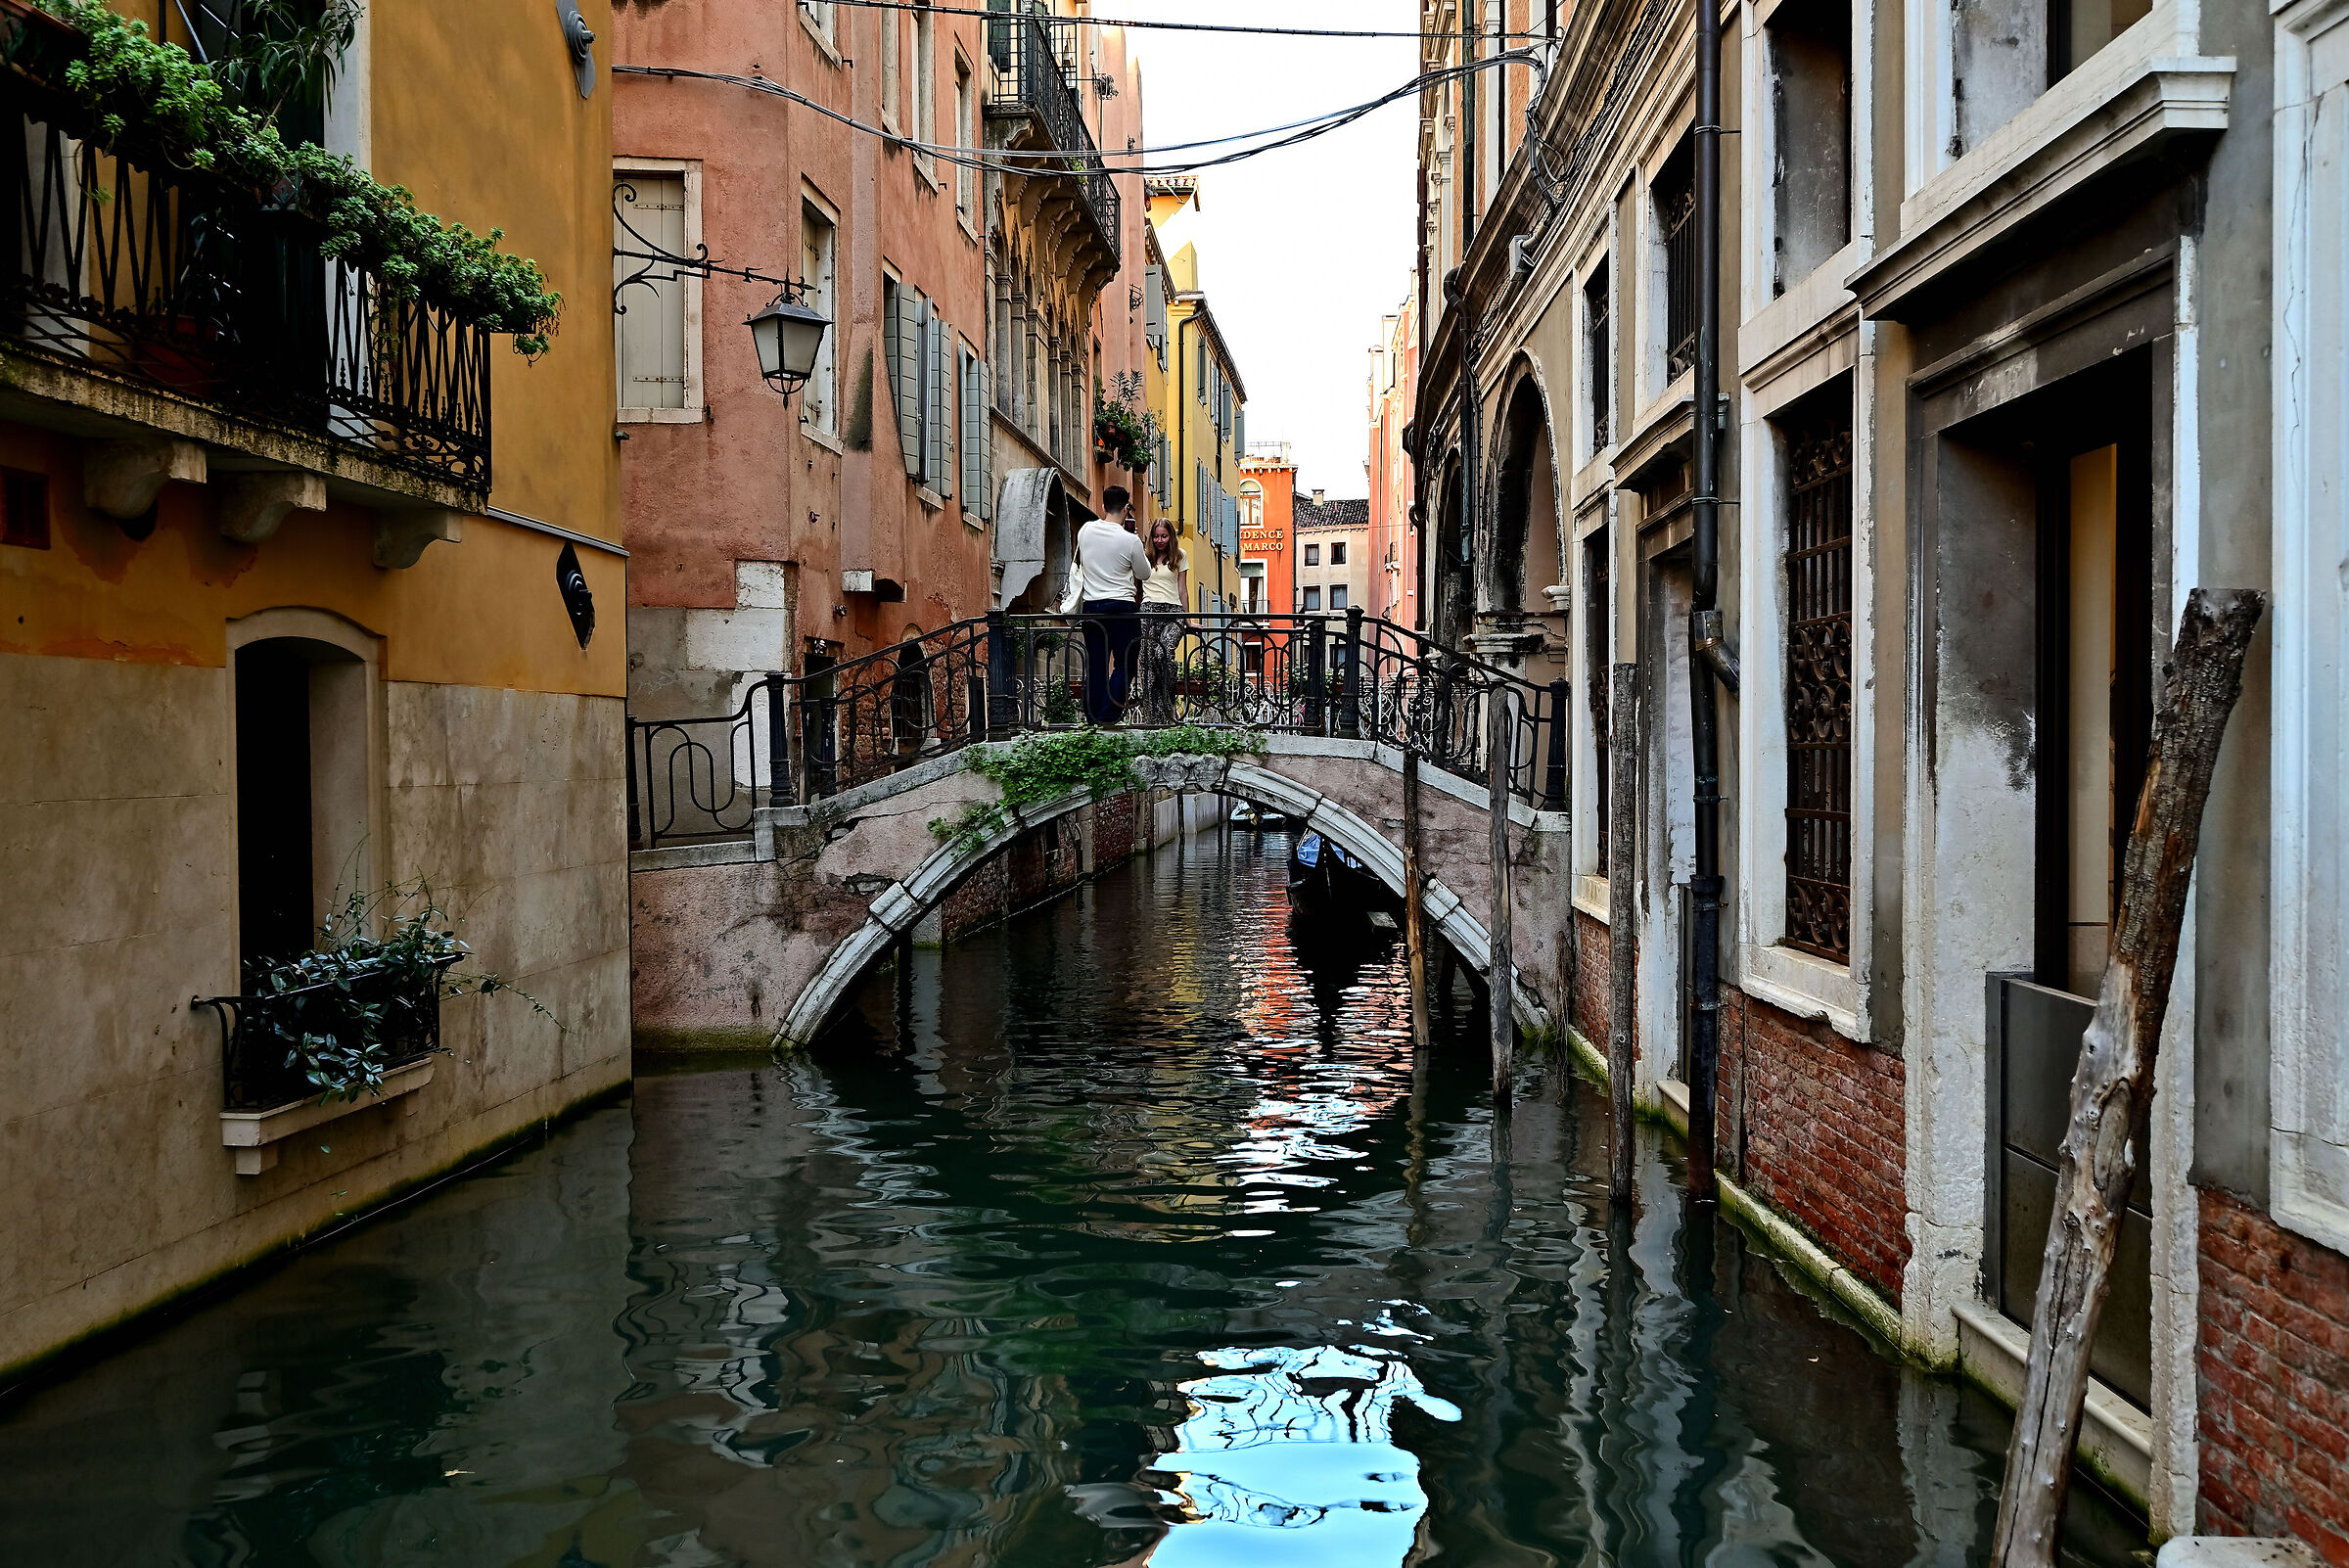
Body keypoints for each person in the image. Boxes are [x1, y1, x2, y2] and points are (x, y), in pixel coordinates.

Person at [1075, 485, 1149, 723]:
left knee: (1096, 663)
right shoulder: (1130, 540)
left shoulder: (1085, 530)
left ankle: (1094, 715)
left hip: (1092, 607)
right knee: (1126, 662)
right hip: (1122, 608)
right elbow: (1144, 573)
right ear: (1127, 508)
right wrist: (1134, 540)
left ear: (1103, 506)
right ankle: (1109, 714)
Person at [1137, 517, 1189, 724]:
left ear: (1171, 537)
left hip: (1173, 611)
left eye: (1164, 536)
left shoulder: (1180, 556)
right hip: (1149, 610)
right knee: (1147, 665)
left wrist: (1187, 619)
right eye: (1156, 536)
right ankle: (1153, 717)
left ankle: (1169, 702)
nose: (1160, 540)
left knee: (1163, 652)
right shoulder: (1144, 556)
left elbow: (1182, 589)